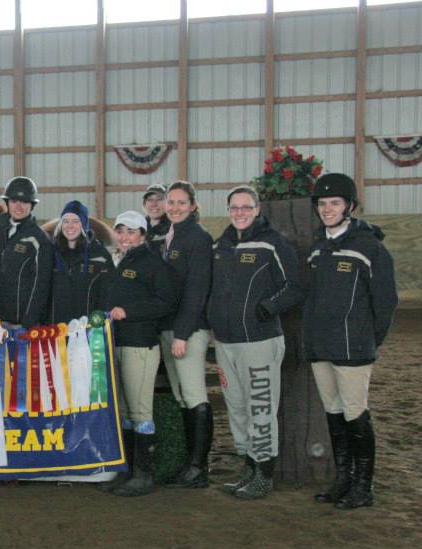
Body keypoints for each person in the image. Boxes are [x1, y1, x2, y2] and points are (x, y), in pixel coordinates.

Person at [305, 173, 397, 510]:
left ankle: (363, 485)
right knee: (333, 411)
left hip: (353, 348)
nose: (327, 209)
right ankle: (343, 477)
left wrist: (370, 341)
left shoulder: (370, 247)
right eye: (323, 204)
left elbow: (386, 301)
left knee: (356, 414)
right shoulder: (318, 248)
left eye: (334, 203)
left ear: (350, 206)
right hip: (321, 346)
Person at [208, 186, 304, 500]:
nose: (239, 212)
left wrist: (266, 308)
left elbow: (295, 286)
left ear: (257, 208)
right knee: (236, 407)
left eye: (245, 207)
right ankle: (247, 467)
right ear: (228, 209)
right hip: (225, 341)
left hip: (259, 341)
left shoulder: (274, 244)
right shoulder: (220, 245)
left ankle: (264, 475)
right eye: (234, 207)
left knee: (260, 407)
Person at [104, 210, 178, 497]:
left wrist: (129, 312)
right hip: (118, 343)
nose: (125, 237)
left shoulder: (152, 264)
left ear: (142, 235)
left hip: (140, 345)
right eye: (120, 231)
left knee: (140, 411)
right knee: (123, 410)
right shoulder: (118, 261)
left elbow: (165, 302)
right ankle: (127, 471)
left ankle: (143, 475)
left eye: (131, 232)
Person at [160, 180, 215, 490]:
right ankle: (187, 463)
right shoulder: (172, 236)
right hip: (171, 328)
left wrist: (181, 333)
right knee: (182, 396)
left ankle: (199, 466)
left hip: (188, 330)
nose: (175, 207)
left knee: (195, 396)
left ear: (193, 206)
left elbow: (197, 291)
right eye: (171, 202)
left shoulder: (198, 238)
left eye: (181, 203)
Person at [0, 176, 54, 327]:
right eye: (14, 201)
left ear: (32, 205)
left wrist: (28, 322)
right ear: (7, 203)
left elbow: (41, 285)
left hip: (21, 325)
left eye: (25, 202)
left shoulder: (40, 240)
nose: (19, 207)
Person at [50, 199, 115, 324]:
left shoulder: (100, 256)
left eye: (75, 221)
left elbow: (107, 294)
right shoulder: (50, 253)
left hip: (88, 330)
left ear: (84, 224)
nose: (70, 226)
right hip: (56, 330)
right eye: (66, 221)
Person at [142, 184, 171, 254]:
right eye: (150, 199)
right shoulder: (139, 228)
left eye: (159, 199)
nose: (154, 204)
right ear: (144, 204)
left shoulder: (174, 230)